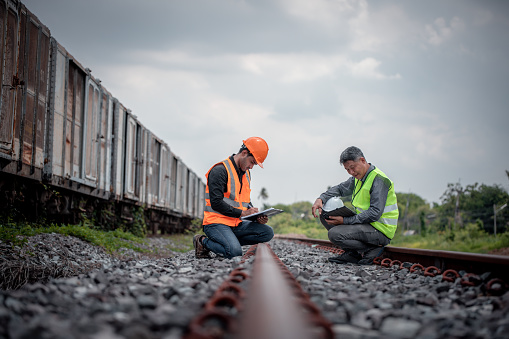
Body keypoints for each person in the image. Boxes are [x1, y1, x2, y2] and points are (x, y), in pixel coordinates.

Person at [311, 146, 399, 265]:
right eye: (347, 169)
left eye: (352, 167)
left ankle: (372, 248)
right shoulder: (358, 178)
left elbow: (374, 213)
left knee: (334, 234)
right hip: (366, 224)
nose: (351, 172)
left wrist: (345, 220)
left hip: (381, 229)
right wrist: (321, 198)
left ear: (362, 160)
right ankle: (352, 253)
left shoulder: (379, 180)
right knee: (326, 216)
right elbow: (340, 189)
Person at [193, 137, 274, 259]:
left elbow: (244, 200)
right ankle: (202, 242)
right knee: (234, 252)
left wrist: (255, 215)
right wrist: (242, 213)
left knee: (267, 232)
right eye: (252, 162)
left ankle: (229, 242)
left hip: (236, 223)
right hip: (216, 223)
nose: (252, 167)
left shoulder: (246, 173)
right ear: (244, 153)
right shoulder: (219, 170)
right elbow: (216, 202)